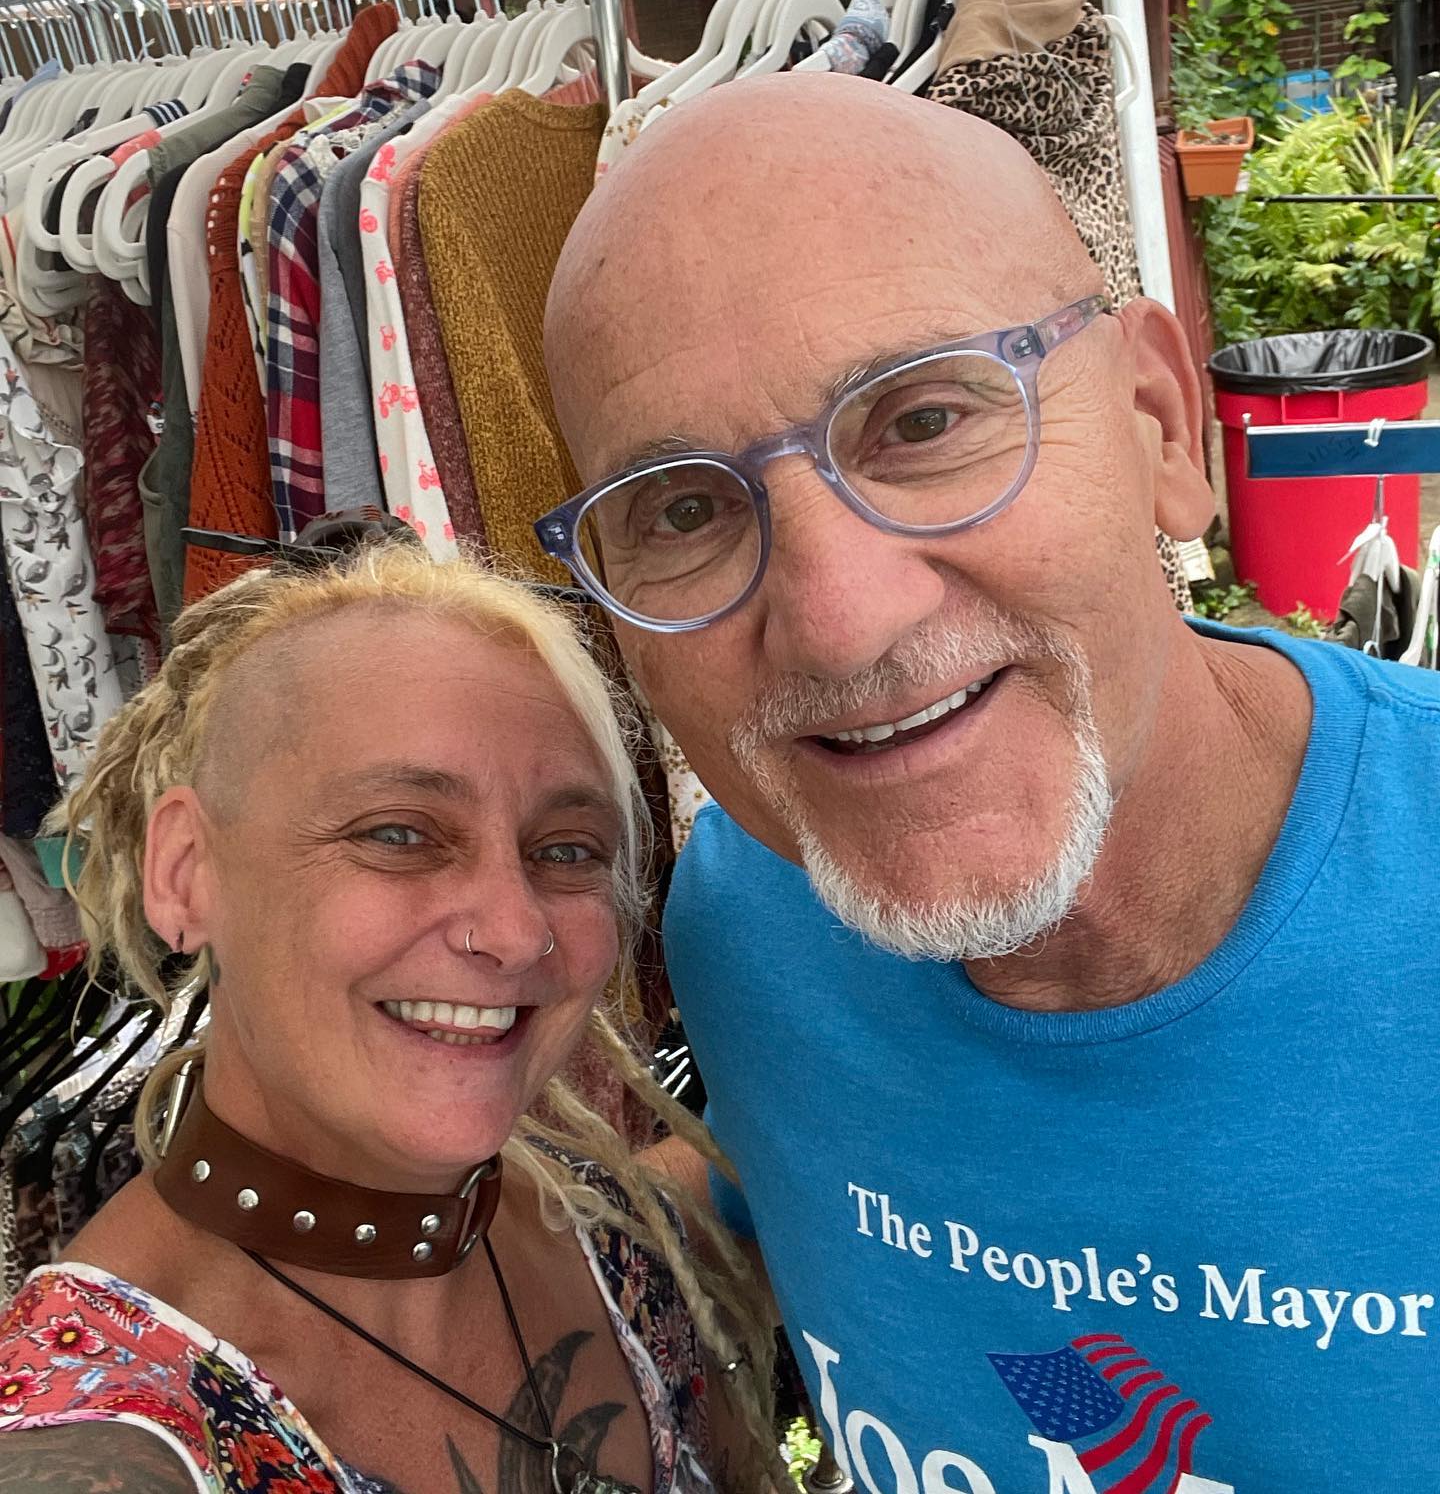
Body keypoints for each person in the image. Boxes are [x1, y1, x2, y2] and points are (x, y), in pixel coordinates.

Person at [541, 74, 1440, 1491]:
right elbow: (799, 1180)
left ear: (1158, 424)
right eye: (688, 509)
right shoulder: (752, 912)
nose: (841, 622)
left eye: (921, 423)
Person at [0, 542, 781, 1493]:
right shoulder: (95, 1439)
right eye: (399, 833)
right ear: (186, 873)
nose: (515, 930)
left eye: (567, 849)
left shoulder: (611, 1244)